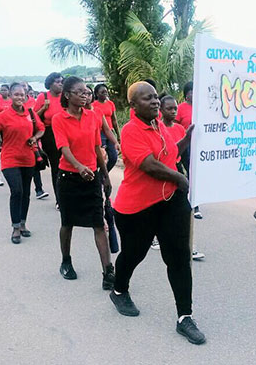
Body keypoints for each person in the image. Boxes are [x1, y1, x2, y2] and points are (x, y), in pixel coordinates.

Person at [109, 81, 205, 345]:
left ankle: (185, 317)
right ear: (133, 105)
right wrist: (180, 178)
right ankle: (119, 289)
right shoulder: (130, 131)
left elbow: (171, 155)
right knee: (134, 254)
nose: (154, 102)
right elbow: (150, 165)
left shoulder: (160, 126)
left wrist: (188, 138)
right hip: (137, 207)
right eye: (146, 98)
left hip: (170, 202)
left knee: (178, 257)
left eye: (155, 97)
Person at [52, 76, 114, 289]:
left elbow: (97, 147)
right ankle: (66, 261)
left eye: (87, 92)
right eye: (80, 92)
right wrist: (79, 166)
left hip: (92, 177)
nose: (85, 95)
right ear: (68, 95)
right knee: (67, 223)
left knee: (99, 224)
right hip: (69, 178)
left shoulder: (93, 116)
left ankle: (108, 272)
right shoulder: (59, 119)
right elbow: (63, 147)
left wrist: (104, 175)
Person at [0, 82, 45, 244]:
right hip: (10, 158)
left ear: (26, 96)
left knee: (26, 192)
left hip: (28, 158)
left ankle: (23, 223)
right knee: (17, 191)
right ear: (11, 96)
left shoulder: (30, 112)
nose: (20, 97)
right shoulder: (4, 115)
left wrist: (35, 138)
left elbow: (41, 129)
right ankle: (15, 227)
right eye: (16, 94)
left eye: (22, 94)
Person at [156, 95, 205, 261]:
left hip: (176, 170)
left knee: (183, 209)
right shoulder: (158, 128)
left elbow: (181, 152)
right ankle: (157, 235)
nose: (173, 111)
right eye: (169, 108)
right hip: (163, 172)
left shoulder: (178, 129)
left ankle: (187, 245)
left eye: (175, 108)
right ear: (161, 110)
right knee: (163, 208)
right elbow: (165, 154)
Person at [35, 72, 64, 208]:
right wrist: (44, 108)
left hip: (65, 131)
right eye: (57, 81)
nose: (60, 84)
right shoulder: (43, 96)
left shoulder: (66, 96)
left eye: (61, 81)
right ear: (50, 84)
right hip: (50, 134)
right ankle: (59, 199)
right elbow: (34, 117)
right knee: (56, 166)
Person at [176, 81, 201, 220]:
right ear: (186, 95)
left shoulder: (201, 107)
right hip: (185, 144)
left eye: (195, 91)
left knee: (196, 173)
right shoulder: (181, 108)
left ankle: (195, 198)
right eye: (190, 92)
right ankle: (194, 204)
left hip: (199, 144)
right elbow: (175, 124)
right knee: (191, 171)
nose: (193, 94)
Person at [93, 84, 120, 172]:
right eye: (102, 92)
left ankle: (102, 175)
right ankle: (96, 177)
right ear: (97, 94)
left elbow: (114, 120)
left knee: (113, 157)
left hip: (110, 132)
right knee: (101, 157)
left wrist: (118, 134)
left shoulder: (110, 104)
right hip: (100, 133)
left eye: (106, 91)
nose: (105, 93)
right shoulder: (94, 105)